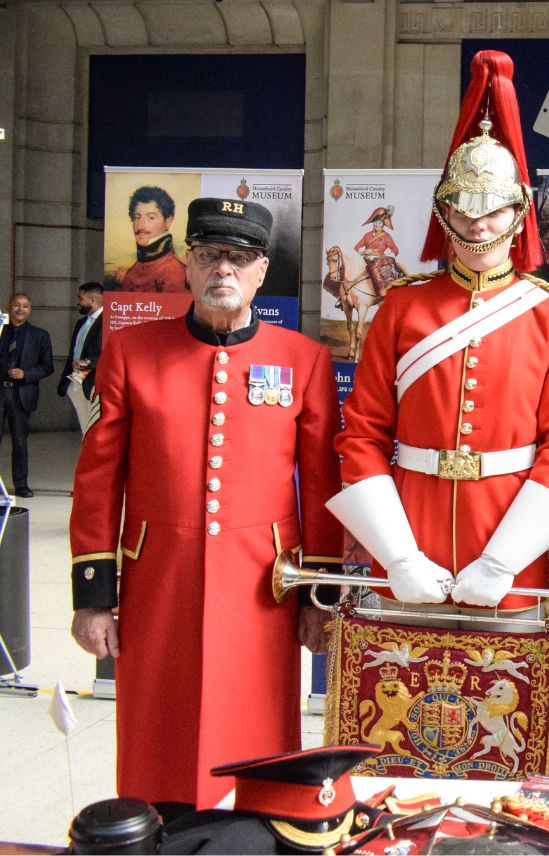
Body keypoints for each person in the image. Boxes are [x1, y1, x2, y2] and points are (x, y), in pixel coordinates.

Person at [68, 197, 344, 812]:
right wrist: (93, 596)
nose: (225, 268)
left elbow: (323, 485)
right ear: (187, 264)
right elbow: (98, 478)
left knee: (257, 717)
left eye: (240, 257)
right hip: (157, 577)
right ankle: (156, 822)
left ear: (261, 270)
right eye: (211, 254)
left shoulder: (303, 359)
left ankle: (254, 826)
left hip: (263, 586)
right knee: (157, 720)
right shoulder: (132, 352)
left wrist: (317, 596)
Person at [330, 50, 549, 619]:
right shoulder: (402, 305)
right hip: (407, 533)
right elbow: (362, 435)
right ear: (442, 212)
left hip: (509, 541)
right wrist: (397, 555)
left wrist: (503, 561)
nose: (479, 223)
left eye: (495, 208)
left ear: (520, 213)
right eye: (464, 207)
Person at [0, 293, 54, 497]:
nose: (20, 309)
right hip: (0, 390)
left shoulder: (40, 335)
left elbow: (47, 367)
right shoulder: (1, 331)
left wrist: (26, 374)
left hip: (20, 394)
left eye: (25, 306)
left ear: (30, 310)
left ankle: (21, 485)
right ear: (9, 307)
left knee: (20, 442)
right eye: (16, 305)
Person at [116, 186, 188, 293]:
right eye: (137, 217)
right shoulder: (131, 272)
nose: (140, 226)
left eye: (151, 218)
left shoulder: (176, 273)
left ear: (168, 221)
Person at [59, 282, 104, 434]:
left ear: (92, 300)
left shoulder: (108, 321)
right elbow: (74, 353)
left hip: (93, 382)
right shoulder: (81, 323)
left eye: (80, 298)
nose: (77, 302)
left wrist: (89, 362)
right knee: (86, 428)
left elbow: (110, 353)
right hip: (76, 380)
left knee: (95, 429)